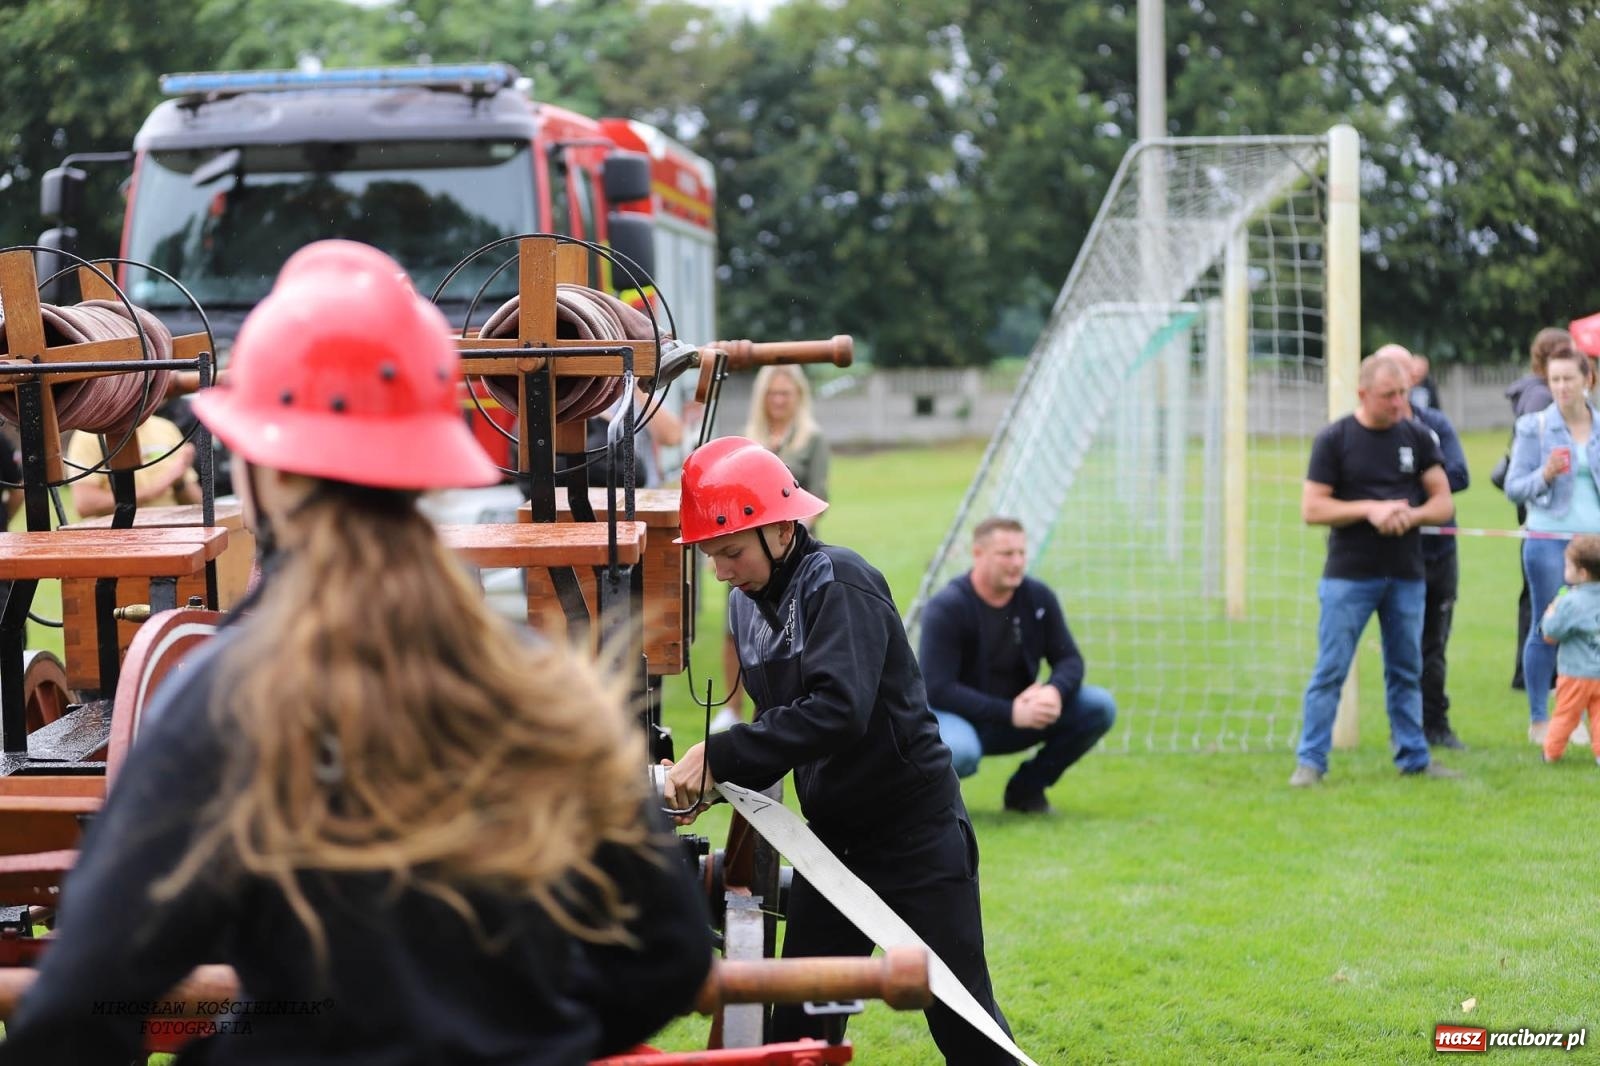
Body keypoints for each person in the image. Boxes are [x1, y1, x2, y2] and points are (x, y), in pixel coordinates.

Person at [0, 241, 712, 1064]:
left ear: (262, 471)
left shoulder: (230, 703)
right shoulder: (537, 683)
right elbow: (669, 952)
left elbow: (76, 1012)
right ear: (422, 465)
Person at [662, 437, 1016, 1065]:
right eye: (712, 557)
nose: (720, 571)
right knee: (800, 1031)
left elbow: (837, 712)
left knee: (965, 1023)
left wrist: (721, 755)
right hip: (832, 852)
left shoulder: (841, 580)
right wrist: (711, 783)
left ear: (781, 530)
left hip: (917, 841)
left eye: (731, 552)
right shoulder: (746, 608)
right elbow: (780, 729)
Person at [1291, 351, 1459, 787]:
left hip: (1406, 575)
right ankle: (1311, 762)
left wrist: (1410, 516)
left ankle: (1414, 758)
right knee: (1331, 669)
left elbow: (1443, 503)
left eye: (1404, 392)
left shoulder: (1418, 437)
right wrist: (1370, 510)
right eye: (1389, 395)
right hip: (1349, 576)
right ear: (1363, 394)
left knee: (1406, 669)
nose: (1400, 402)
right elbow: (1312, 508)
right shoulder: (1335, 439)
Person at [917, 515, 1116, 812]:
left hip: (1023, 715)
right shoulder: (947, 607)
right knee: (961, 751)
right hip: (960, 717)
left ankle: (1026, 791)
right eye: (1006, 554)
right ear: (978, 554)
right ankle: (923, 812)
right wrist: (1010, 712)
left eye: (1022, 553)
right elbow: (938, 689)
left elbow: (1069, 659)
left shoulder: (1038, 597)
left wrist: (1053, 692)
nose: (1017, 562)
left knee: (1099, 705)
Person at [712, 365, 830, 730]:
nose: (778, 400)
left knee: (787, 631)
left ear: (798, 398)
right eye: (772, 393)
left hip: (784, 542)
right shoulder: (749, 440)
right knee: (735, 629)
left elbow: (818, 493)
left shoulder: (811, 440)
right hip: (746, 544)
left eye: (785, 394)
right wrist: (727, 547)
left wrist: (787, 534)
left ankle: (773, 711)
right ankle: (731, 708)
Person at [1504, 344, 1600, 745]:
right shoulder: (1534, 427)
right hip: (1548, 539)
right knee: (1549, 625)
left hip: (1595, 543)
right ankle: (1541, 718)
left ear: (1588, 381)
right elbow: (1514, 487)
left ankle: (1582, 714)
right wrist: (1544, 474)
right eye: (1554, 379)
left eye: (1568, 379)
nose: (1560, 387)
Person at [1397, 354, 1471, 750]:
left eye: (1404, 372)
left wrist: (1408, 496)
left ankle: (1435, 725)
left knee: (1433, 644)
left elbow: (1459, 474)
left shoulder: (1434, 425)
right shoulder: (1366, 430)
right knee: (1400, 646)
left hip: (1438, 551)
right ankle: (1404, 727)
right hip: (1390, 555)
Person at [1503, 328, 1569, 690]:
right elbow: (1521, 471)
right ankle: (1531, 680)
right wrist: (1546, 472)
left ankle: (1545, 679)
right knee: (1542, 607)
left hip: (1563, 521)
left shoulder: (1535, 392)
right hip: (1543, 518)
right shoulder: (1538, 399)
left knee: (1544, 602)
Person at [1538, 534, 1600, 765]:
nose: (1565, 569)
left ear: (1582, 573)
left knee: (1566, 714)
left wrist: (1551, 612)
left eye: (1568, 565)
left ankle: (1551, 753)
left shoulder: (1570, 602)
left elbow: (1550, 634)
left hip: (1575, 674)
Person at [63, 413, 201, 518]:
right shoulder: (88, 435)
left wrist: (179, 482)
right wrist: (160, 486)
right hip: (119, 540)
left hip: (172, 533)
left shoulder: (166, 427)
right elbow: (85, 504)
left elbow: (199, 504)